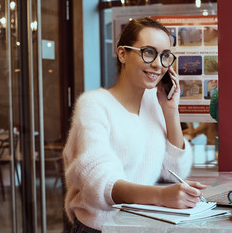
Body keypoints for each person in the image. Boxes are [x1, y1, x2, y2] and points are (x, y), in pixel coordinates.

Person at [63, 17, 206, 232]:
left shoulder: (155, 103)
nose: (158, 64)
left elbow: (175, 170)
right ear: (122, 54)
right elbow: (98, 184)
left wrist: (171, 111)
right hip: (101, 228)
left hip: (142, 224)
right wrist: (161, 196)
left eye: (165, 56)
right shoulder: (94, 105)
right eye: (149, 52)